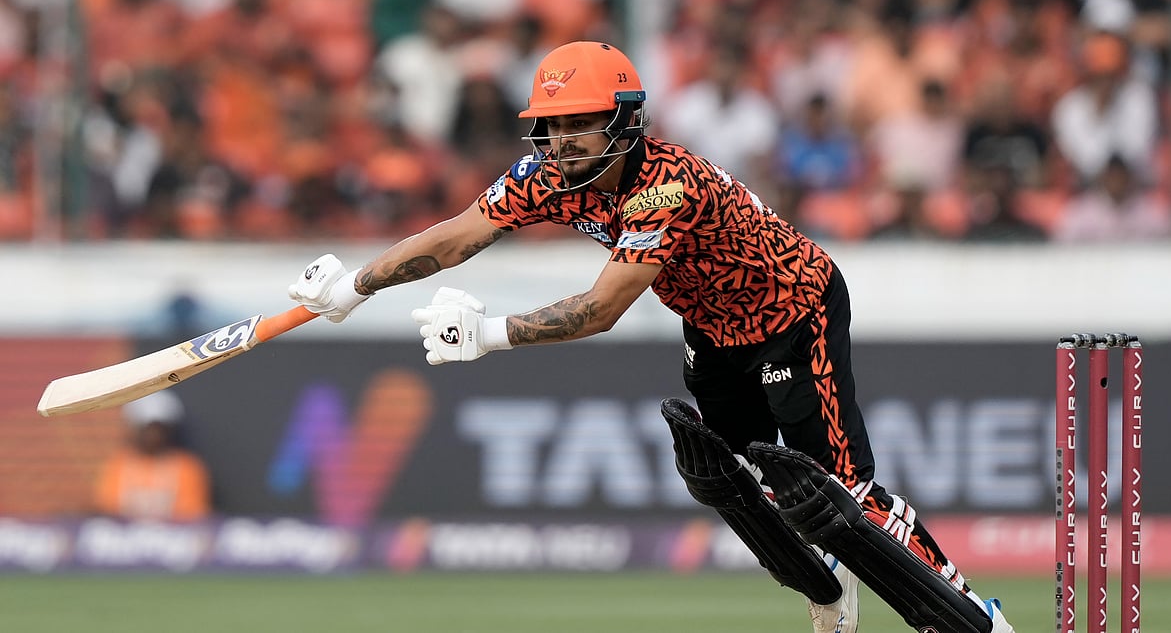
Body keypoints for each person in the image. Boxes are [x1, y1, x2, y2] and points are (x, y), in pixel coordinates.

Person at [287, 41, 1014, 633]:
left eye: (580, 123)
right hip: (714, 327)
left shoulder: (668, 185)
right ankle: (830, 594)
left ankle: (974, 613)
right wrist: (356, 285)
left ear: (627, 120)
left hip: (797, 311)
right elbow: (458, 238)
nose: (562, 141)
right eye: (552, 124)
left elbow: (603, 308)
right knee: (740, 480)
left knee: (842, 489)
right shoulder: (548, 174)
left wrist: (491, 334)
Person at [93, 390, 212, 522]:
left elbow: (193, 514)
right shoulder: (119, 464)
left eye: (159, 429)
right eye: (147, 428)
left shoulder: (187, 467)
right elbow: (107, 509)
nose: (153, 436)